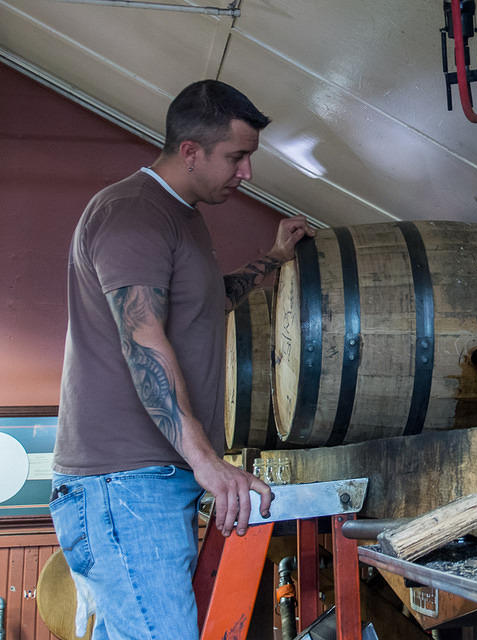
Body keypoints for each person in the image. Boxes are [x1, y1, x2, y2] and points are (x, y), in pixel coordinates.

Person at [49, 79, 313, 639]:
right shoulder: (132, 214)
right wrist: (206, 461)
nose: (247, 173)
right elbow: (142, 341)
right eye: (237, 157)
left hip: (147, 480)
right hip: (122, 482)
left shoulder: (183, 217)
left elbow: (208, 301)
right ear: (190, 151)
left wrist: (272, 259)